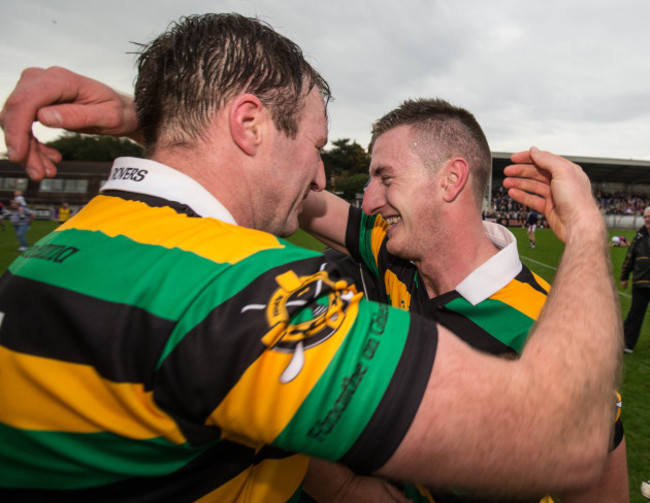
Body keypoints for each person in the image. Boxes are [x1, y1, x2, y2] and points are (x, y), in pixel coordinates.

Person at [0, 14, 621, 502]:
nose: (325, 174)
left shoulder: (71, 249)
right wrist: (587, 231)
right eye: (316, 142)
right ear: (250, 124)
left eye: (384, 175)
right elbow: (558, 435)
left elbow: (592, 452)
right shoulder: (242, 292)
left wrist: (162, 123)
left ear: (452, 180)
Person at [299, 98, 628, 503]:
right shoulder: (391, 249)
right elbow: (302, 202)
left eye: (385, 178)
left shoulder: (548, 326)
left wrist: (584, 225)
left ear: (450, 179)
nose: (367, 202)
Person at [620, 206, 650, 353]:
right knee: (635, 313)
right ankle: (627, 343)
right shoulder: (639, 236)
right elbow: (630, 256)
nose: (648, 220)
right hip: (641, 282)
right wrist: (624, 276)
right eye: (646, 217)